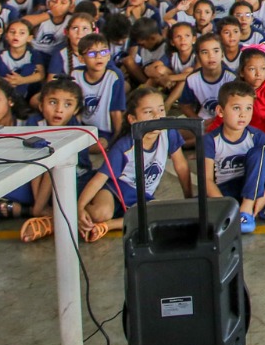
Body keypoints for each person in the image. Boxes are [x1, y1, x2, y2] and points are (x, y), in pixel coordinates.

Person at [76, 87, 190, 242]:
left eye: (161, 109)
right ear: (133, 119)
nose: (157, 116)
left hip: (141, 196)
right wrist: (79, 207)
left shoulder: (169, 133)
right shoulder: (124, 146)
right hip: (116, 188)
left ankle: (107, 226)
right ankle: (73, 216)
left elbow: (181, 166)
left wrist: (189, 199)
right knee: (100, 213)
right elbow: (100, 179)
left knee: (163, 214)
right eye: (149, 112)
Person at [204, 80, 265, 234]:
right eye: (236, 108)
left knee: (259, 153)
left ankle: (247, 209)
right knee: (199, 208)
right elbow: (207, 180)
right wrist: (224, 206)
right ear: (220, 111)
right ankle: (257, 210)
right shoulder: (210, 140)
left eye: (248, 108)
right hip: (226, 190)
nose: (243, 114)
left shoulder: (257, 136)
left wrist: (264, 196)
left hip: (252, 186)